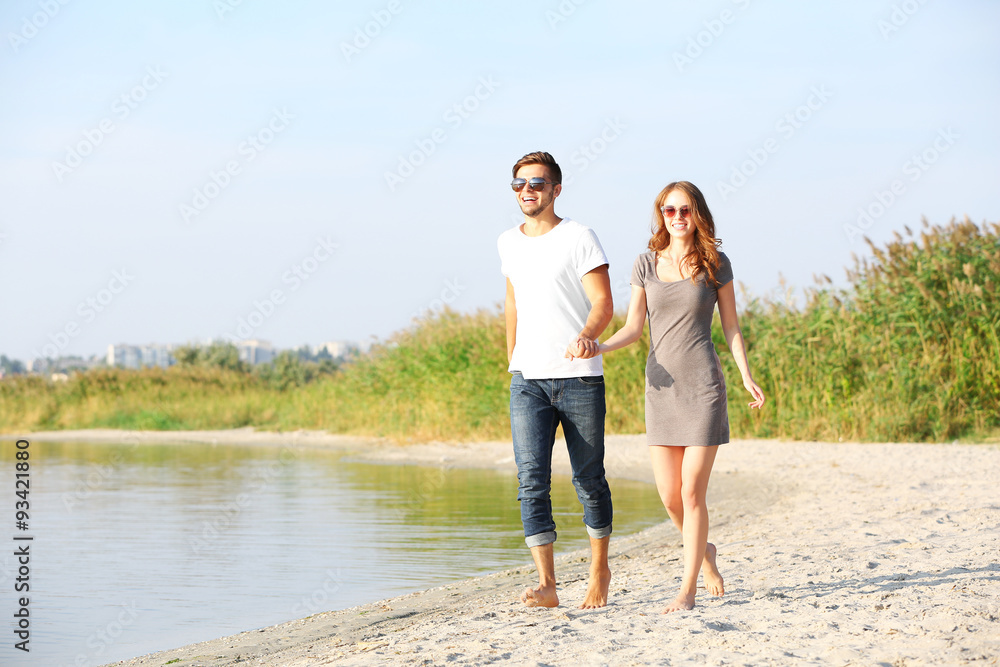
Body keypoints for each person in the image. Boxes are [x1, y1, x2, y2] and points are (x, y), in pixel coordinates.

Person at [598, 181, 765, 613]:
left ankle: (687, 588)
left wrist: (746, 375)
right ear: (661, 215)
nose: (676, 217)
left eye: (685, 210)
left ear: (698, 215)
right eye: (669, 210)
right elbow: (633, 327)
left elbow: (731, 327)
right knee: (670, 498)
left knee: (692, 494)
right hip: (661, 391)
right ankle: (704, 551)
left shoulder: (715, 263)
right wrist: (598, 346)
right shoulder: (645, 264)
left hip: (704, 388)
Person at [497, 151, 615, 609]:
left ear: (556, 189)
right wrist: (512, 358)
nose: (528, 191)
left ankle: (599, 568)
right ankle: (547, 584)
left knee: (588, 479)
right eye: (520, 184)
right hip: (528, 379)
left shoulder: (579, 237)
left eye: (538, 183)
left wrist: (587, 336)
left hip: (579, 377)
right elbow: (512, 302)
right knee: (531, 480)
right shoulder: (507, 241)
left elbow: (602, 303)